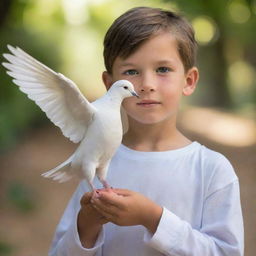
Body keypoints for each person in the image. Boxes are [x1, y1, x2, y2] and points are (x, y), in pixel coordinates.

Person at [49, 6, 244, 256]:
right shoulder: (96, 163)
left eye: (163, 69)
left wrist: (153, 218)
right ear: (110, 85)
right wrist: (86, 225)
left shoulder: (212, 169)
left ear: (189, 80)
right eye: (132, 72)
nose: (147, 85)